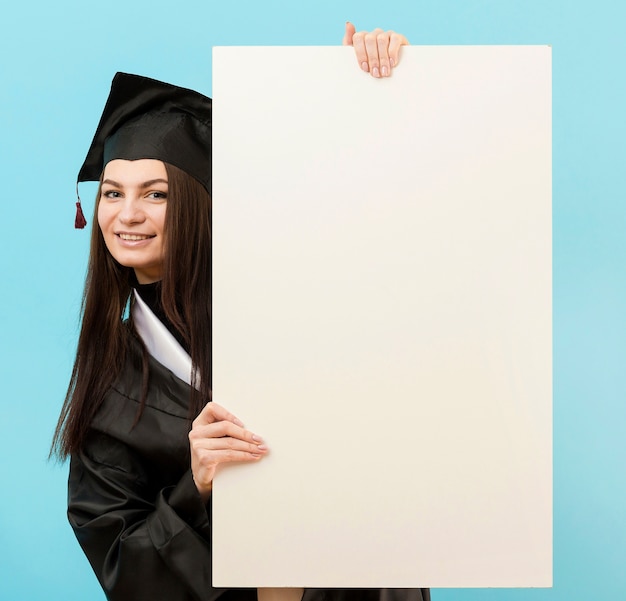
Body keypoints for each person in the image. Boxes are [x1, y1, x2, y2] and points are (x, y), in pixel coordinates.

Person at [52, 23, 429, 601]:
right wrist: (195, 486)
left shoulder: (289, 300)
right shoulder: (109, 386)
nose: (126, 214)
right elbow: (124, 574)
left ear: (200, 205)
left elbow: (375, 226)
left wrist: (370, 87)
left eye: (155, 193)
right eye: (112, 192)